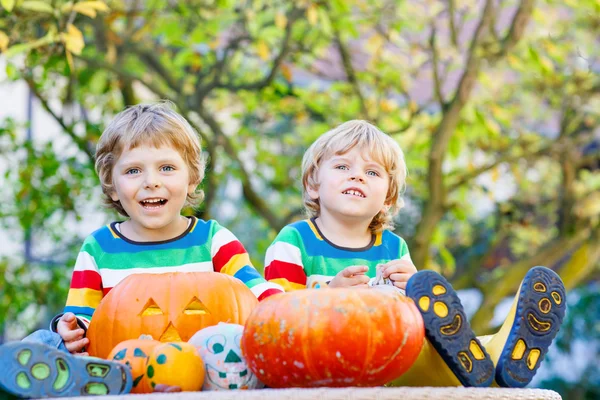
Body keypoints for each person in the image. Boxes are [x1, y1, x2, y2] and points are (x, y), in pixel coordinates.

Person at [0, 102, 283, 398]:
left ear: (192, 178)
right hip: (124, 372)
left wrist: (290, 310)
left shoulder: (213, 240)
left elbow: (256, 295)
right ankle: (52, 379)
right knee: (45, 341)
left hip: (204, 374)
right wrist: (68, 329)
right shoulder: (99, 248)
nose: (151, 182)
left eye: (167, 168)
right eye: (134, 170)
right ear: (112, 185)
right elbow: (83, 320)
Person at [264, 120, 566, 388]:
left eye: (372, 172)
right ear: (313, 184)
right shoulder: (294, 241)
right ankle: (492, 364)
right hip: (326, 356)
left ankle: (497, 354)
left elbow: (412, 326)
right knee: (440, 365)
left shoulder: (394, 247)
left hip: (390, 356)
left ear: (388, 199)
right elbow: (272, 316)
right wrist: (328, 294)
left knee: (432, 347)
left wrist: (412, 291)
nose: (357, 177)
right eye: (343, 167)